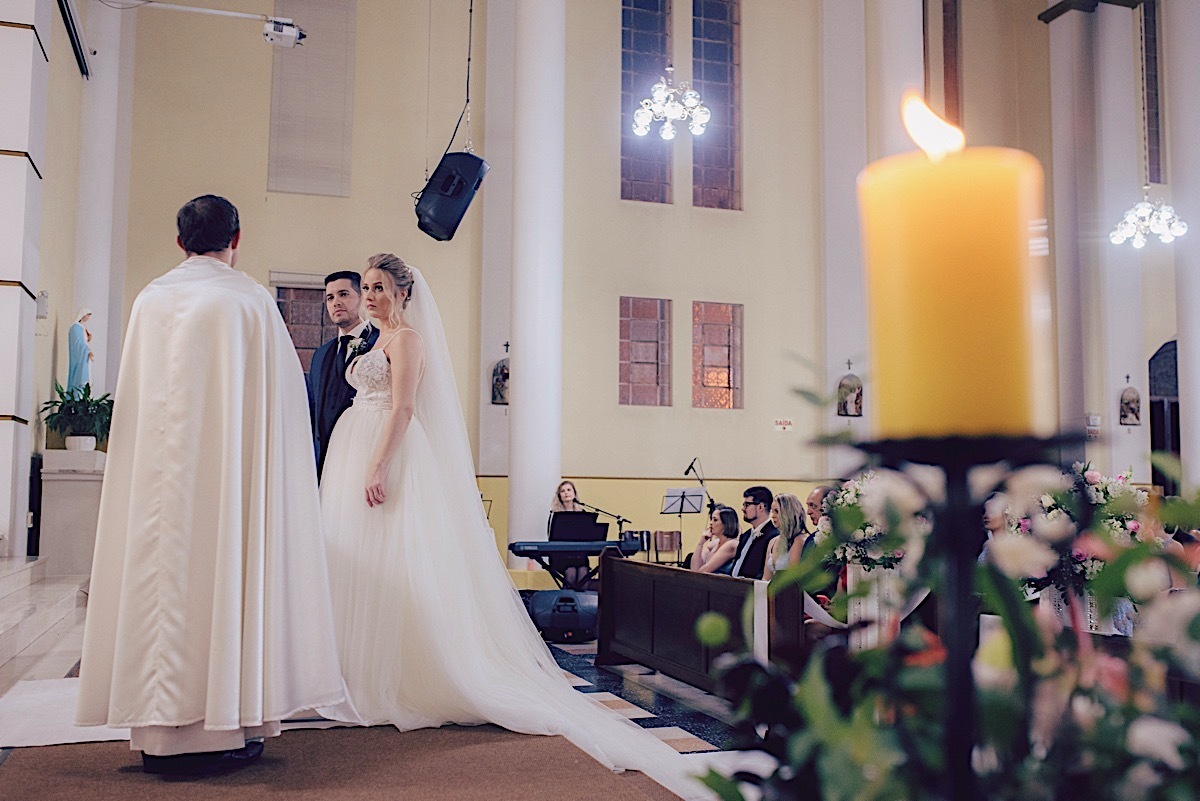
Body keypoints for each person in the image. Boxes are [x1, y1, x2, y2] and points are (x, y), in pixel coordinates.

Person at [317, 254, 706, 800]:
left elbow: (402, 408)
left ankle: (396, 675)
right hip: (352, 446)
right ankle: (350, 673)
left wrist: (377, 464)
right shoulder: (371, 342)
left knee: (395, 559)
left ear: (402, 294)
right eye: (367, 288)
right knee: (358, 564)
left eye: (378, 288)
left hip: (389, 451)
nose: (370, 296)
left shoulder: (406, 341)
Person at [75, 195, 344, 775]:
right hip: (229, 488)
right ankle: (228, 721)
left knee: (159, 586)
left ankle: (156, 731)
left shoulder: (150, 300)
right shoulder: (248, 301)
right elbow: (281, 416)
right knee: (226, 577)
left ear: (180, 242)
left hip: (155, 490)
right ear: (237, 238)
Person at [308, 269, 380, 478]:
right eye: (330, 297)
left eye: (344, 294)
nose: (336, 302)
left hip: (363, 457)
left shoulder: (381, 344)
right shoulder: (320, 355)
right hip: (324, 465)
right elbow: (313, 412)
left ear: (362, 298)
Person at [728, 485, 778, 579]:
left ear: (760, 507)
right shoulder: (746, 536)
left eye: (747, 504)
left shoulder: (773, 536)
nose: (743, 509)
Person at [549, 480, 589, 588]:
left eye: (569, 490)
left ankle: (581, 603)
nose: (566, 493)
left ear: (574, 493)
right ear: (559, 496)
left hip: (579, 555)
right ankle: (568, 602)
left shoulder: (583, 513)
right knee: (571, 572)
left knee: (584, 572)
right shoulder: (556, 514)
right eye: (562, 491)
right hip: (561, 555)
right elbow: (552, 537)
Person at [762, 493, 806, 580]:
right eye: (772, 511)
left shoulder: (799, 540)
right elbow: (766, 578)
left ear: (788, 513)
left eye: (777, 511)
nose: (773, 516)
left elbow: (792, 577)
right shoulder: (772, 542)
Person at [688, 505, 739, 574]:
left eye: (715, 520)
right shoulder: (714, 544)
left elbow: (702, 572)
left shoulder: (731, 544)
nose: (711, 523)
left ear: (726, 523)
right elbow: (695, 569)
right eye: (711, 519)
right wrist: (701, 543)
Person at [67, 308, 93, 393]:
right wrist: (88, 351)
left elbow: (83, 341)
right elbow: (77, 343)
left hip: (84, 357)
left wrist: (88, 339)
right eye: (88, 315)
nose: (88, 318)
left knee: (84, 379)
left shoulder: (81, 327)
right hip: (79, 358)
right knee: (78, 378)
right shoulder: (75, 327)